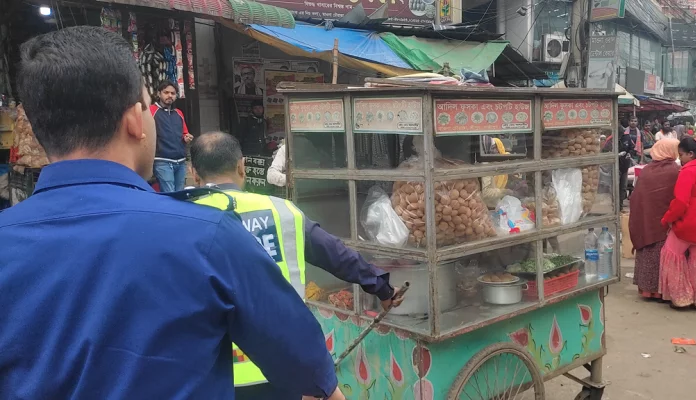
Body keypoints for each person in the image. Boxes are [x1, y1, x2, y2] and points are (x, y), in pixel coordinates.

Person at [0, 26, 343, 399]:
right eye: (149, 104)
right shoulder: (208, 234)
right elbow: (308, 371)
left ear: (35, 129)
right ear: (134, 120)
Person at [188, 132, 403, 399]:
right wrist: (383, 288)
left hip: (210, 375)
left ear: (193, 173)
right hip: (282, 367)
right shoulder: (281, 212)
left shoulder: (179, 223)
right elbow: (337, 254)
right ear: (242, 166)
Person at [659, 137, 696, 311]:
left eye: (681, 155)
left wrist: (667, 218)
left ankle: (681, 298)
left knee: (671, 255)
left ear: (691, 154)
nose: (680, 159)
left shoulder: (688, 171)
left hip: (687, 224)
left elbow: (680, 202)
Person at [629, 139, 680, 300]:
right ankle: (660, 290)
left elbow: (637, 197)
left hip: (646, 220)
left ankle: (646, 289)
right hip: (665, 223)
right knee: (661, 255)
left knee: (647, 254)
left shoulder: (646, 170)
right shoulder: (675, 170)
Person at [151, 80, 193, 192]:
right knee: (170, 194)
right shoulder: (151, 111)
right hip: (162, 160)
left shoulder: (178, 113)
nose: (170, 95)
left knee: (179, 194)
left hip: (181, 161)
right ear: (159, 94)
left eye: (173, 93)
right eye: (166, 92)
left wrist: (186, 137)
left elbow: (185, 133)